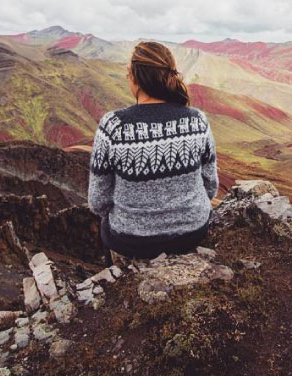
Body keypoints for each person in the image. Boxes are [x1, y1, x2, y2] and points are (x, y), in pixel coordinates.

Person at [87, 41, 218, 264]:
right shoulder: (197, 121)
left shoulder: (113, 126)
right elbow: (211, 187)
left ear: (134, 78)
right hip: (192, 233)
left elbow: (98, 202)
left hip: (131, 241)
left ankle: (117, 282)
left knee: (105, 230)